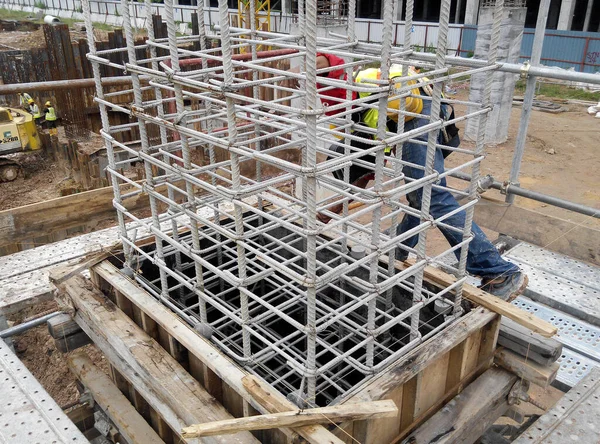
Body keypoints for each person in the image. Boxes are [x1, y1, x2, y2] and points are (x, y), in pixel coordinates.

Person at [308, 54, 528, 300]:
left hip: (410, 108)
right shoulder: (359, 131)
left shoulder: (351, 123)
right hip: (418, 103)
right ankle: (398, 250)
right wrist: (322, 216)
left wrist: (321, 58)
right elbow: (357, 184)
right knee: (418, 195)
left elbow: (334, 64)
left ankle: (498, 271)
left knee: (430, 196)